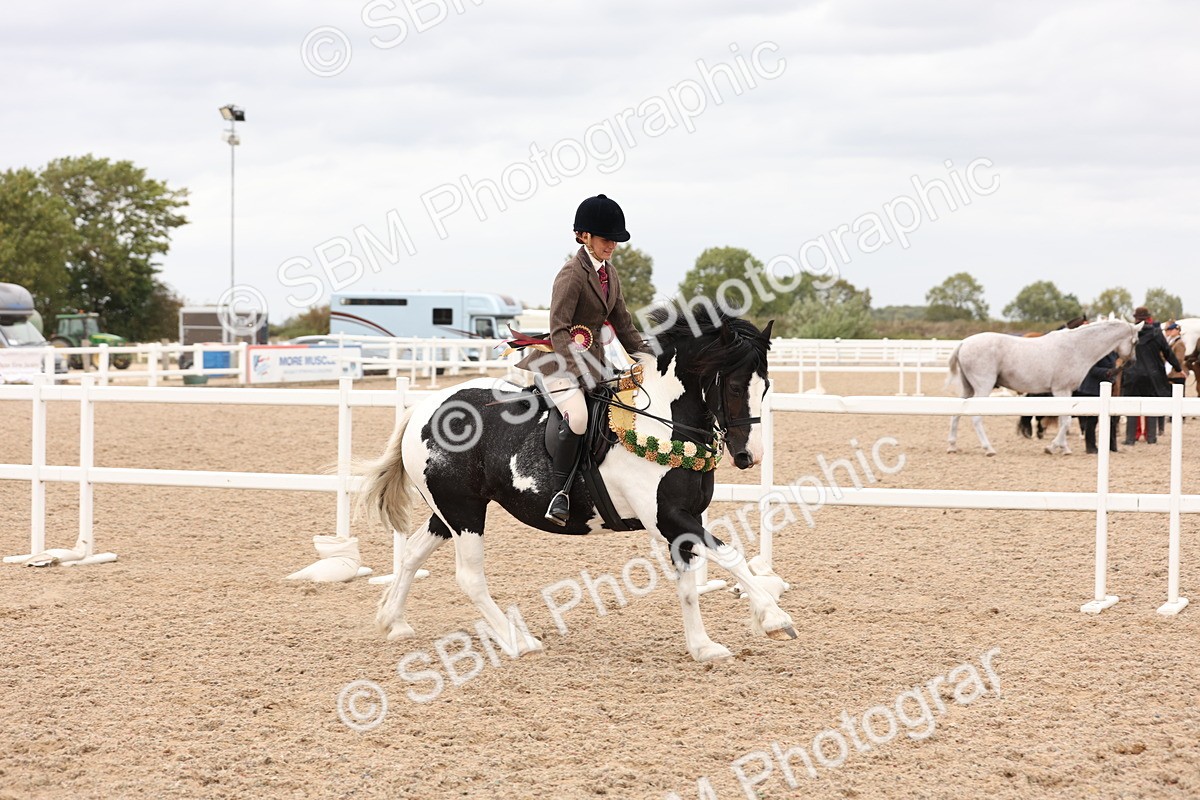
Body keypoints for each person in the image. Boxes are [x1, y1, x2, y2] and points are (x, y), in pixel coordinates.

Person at [514, 194, 649, 525]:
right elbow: (558, 329)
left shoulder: (610, 274)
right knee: (578, 417)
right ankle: (559, 494)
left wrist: (652, 357)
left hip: (597, 366)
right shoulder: (572, 273)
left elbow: (624, 325)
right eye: (606, 239)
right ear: (584, 235)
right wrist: (580, 374)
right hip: (560, 365)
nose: (612, 245)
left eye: (615, 240)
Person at [1122, 307, 1181, 445]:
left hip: (1133, 373)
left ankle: (1130, 438)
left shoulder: (1130, 333)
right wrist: (1178, 368)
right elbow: (1167, 352)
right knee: (1152, 405)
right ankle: (1151, 437)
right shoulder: (1157, 333)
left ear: (1136, 318)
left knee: (1132, 405)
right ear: (1148, 318)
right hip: (1153, 374)